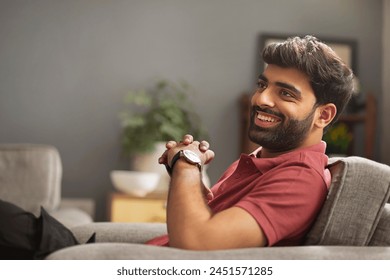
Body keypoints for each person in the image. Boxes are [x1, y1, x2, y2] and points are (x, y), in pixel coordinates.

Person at [146, 35, 354, 249]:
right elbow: (209, 218)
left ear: (324, 115)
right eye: (262, 85)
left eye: (285, 93)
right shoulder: (260, 160)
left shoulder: (299, 179)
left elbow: (197, 243)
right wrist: (192, 169)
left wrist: (186, 163)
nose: (261, 99)